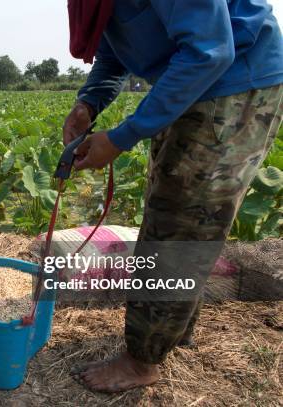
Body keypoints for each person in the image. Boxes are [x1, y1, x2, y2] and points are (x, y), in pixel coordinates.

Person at [63, 0, 282, 392]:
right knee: (171, 209)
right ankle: (170, 332)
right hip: (191, 78)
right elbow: (116, 44)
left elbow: (210, 49)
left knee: (181, 222)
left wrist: (120, 138)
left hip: (233, 80)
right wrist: (88, 102)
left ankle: (142, 362)